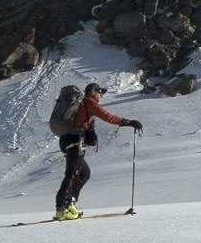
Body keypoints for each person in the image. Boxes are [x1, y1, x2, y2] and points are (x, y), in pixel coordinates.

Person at [56, 83, 143, 221]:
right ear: (92, 91)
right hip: (75, 140)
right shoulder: (89, 102)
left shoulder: (81, 104)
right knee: (72, 173)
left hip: (66, 139)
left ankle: (70, 202)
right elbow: (108, 117)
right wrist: (129, 122)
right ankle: (61, 208)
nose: (101, 94)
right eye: (100, 91)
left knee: (84, 173)